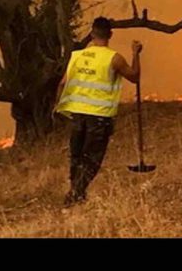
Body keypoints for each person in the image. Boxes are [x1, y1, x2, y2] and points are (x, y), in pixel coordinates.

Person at [54, 16, 141, 207]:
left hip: (77, 114)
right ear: (110, 35)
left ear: (92, 34)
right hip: (99, 116)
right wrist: (135, 54)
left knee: (77, 156)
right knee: (92, 158)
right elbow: (134, 77)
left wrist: (59, 108)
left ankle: (76, 192)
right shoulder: (114, 58)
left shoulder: (77, 56)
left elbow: (62, 84)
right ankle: (76, 194)